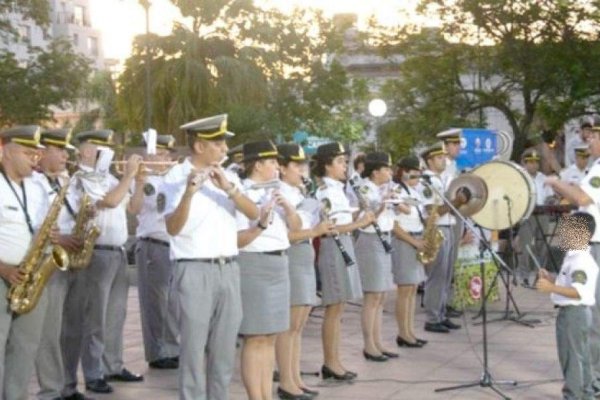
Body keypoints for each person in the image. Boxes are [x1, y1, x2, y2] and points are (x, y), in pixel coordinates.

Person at [163, 114, 258, 400]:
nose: (225, 150)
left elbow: (255, 214)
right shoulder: (174, 177)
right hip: (194, 270)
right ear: (200, 146)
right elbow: (172, 228)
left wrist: (227, 188)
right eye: (219, 144)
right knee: (192, 350)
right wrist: (189, 194)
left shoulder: (227, 177)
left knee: (225, 349)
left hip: (227, 268)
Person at [65, 130, 143, 396]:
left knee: (116, 315)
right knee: (94, 317)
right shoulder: (80, 179)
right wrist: (130, 175)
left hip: (118, 250)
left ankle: (113, 364)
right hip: (95, 252)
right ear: (87, 152)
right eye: (102, 149)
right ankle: (93, 373)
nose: (108, 154)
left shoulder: (110, 177)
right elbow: (108, 202)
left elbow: (133, 207)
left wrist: (139, 181)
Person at [236, 140, 301, 400]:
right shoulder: (244, 193)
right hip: (255, 263)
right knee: (255, 337)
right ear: (258, 164)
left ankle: (266, 394)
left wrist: (288, 207)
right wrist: (261, 222)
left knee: (271, 335)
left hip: (279, 261)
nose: (277, 166)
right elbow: (240, 236)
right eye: (272, 162)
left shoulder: (277, 190)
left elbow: (294, 227)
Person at [32, 128, 93, 400]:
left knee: (73, 327)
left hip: (74, 260)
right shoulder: (34, 183)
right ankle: (50, 389)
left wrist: (86, 214)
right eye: (59, 151)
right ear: (42, 152)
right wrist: (62, 239)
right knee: (50, 331)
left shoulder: (69, 180)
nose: (65, 156)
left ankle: (68, 384)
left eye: (66, 151)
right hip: (50, 261)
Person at [313, 142, 374, 380]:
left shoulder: (338, 188)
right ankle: (330, 362)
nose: (344, 166)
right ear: (327, 165)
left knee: (340, 307)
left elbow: (344, 218)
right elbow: (332, 227)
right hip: (333, 245)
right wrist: (359, 223)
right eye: (339, 162)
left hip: (344, 242)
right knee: (334, 306)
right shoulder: (326, 191)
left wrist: (362, 213)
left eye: (345, 161)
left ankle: (335, 360)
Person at [546, 126, 600, 394]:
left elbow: (581, 198)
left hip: (594, 239)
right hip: (587, 233)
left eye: (594, 137)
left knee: (587, 318)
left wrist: (555, 182)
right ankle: (585, 382)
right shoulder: (594, 167)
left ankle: (586, 384)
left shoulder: (599, 169)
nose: (589, 141)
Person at [275, 143, 331, 399]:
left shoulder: (300, 192)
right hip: (293, 253)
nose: (302, 170)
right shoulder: (279, 193)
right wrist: (315, 231)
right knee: (291, 324)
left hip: (305, 253)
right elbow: (290, 232)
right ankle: (286, 381)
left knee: (299, 323)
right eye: (296, 166)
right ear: (282, 168)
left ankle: (295, 377)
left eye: (304, 165)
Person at [0, 125, 52, 400]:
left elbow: (39, 228)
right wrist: (4, 269)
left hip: (31, 276)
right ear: (6, 152)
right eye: (27, 152)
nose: (34, 158)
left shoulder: (36, 189)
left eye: (36, 153)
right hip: (3, 274)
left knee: (26, 347)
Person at [128, 134, 180, 370]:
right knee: (155, 302)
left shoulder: (175, 178)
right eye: (156, 153)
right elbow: (135, 208)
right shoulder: (142, 178)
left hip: (175, 245)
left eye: (164, 154)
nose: (160, 158)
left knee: (173, 302)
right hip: (153, 243)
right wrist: (140, 180)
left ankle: (173, 347)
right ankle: (157, 352)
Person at [536, 212, 598, 400]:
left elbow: (578, 291)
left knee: (571, 358)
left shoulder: (580, 261)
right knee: (582, 357)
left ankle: (573, 395)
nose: (564, 234)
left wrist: (550, 287)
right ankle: (587, 393)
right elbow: (570, 284)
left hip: (574, 314)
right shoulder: (573, 257)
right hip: (577, 313)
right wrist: (552, 279)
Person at [353, 152, 397, 362]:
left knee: (382, 296)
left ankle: (378, 341)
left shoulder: (383, 188)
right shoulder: (364, 187)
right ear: (376, 171)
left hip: (385, 238)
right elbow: (368, 217)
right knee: (372, 296)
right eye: (386, 169)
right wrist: (383, 204)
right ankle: (369, 344)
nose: (390, 172)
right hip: (371, 240)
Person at [418, 142, 466, 333]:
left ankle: (442, 311)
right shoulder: (427, 183)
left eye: (444, 157)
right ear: (429, 161)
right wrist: (456, 202)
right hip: (437, 229)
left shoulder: (443, 179)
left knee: (447, 274)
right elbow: (432, 211)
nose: (444, 160)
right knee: (437, 275)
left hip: (449, 226)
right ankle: (432, 317)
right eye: (439, 158)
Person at [391, 155, 428, 348]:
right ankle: (403, 333)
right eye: (414, 174)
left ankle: (410, 331)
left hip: (416, 238)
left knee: (413, 289)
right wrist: (414, 241)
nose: (417, 179)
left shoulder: (414, 192)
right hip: (405, 241)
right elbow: (394, 226)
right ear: (404, 172)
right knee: (405, 290)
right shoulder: (397, 192)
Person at [516, 149, 555, 287]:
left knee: (542, 246)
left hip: (542, 213)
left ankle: (540, 276)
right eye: (530, 162)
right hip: (527, 215)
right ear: (524, 163)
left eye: (536, 162)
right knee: (525, 247)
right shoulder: (520, 178)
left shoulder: (543, 177)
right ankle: (524, 277)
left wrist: (551, 201)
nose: (534, 165)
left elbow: (550, 196)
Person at [436, 129, 464, 318]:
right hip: (446, 216)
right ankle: (440, 304)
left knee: (451, 262)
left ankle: (445, 301)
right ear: (445, 147)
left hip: (455, 215)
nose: (458, 148)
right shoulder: (443, 167)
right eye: (455, 144)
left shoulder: (454, 166)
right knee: (444, 263)